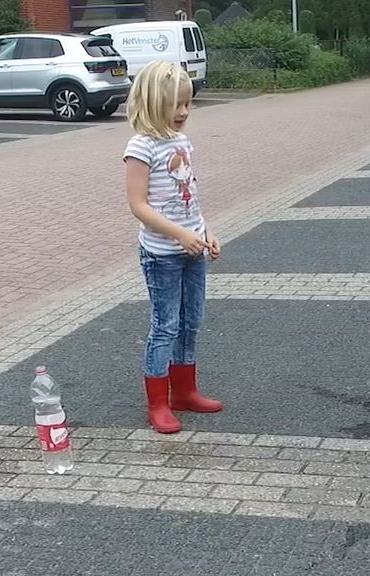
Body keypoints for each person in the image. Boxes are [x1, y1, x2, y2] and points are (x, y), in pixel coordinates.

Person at [124, 60, 223, 434]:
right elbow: (138, 205)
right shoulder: (141, 146)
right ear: (152, 103)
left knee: (191, 321)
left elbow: (189, 197)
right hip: (162, 255)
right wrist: (179, 235)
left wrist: (206, 230)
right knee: (165, 325)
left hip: (192, 250)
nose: (183, 112)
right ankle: (158, 402)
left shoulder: (181, 142)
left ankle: (184, 391)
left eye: (187, 103)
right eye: (175, 104)